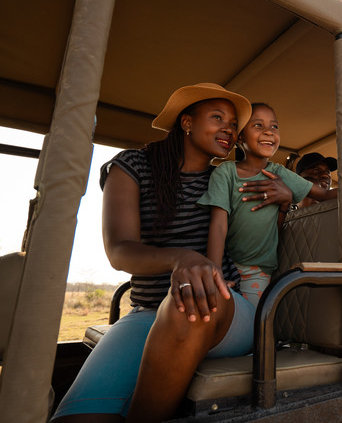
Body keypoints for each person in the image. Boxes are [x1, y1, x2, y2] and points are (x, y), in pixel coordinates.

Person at [52, 83, 292, 423]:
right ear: (187, 122)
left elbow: (277, 218)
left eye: (233, 124)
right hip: (147, 312)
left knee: (190, 299)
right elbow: (119, 251)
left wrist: (287, 196)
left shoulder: (226, 179)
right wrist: (181, 257)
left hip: (224, 309)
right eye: (217, 117)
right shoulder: (134, 166)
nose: (228, 128)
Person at [199, 104, 337, 306]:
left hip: (259, 270)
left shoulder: (280, 172)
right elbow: (218, 225)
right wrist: (214, 270)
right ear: (240, 137)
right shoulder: (225, 173)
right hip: (228, 265)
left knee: (252, 326)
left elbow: (325, 195)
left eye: (274, 127)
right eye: (258, 125)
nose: (268, 132)